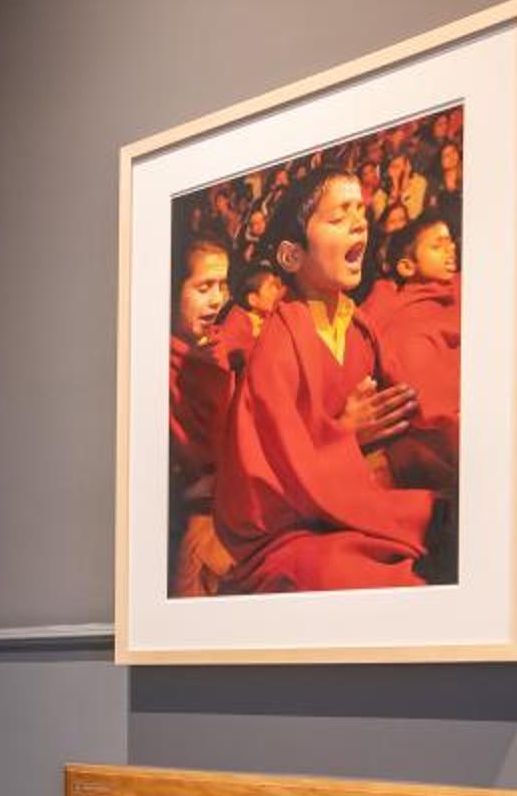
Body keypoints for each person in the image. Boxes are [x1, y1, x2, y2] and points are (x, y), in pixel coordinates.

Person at [212, 165, 430, 591]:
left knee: (436, 514)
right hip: (290, 526)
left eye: (360, 213)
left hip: (357, 501)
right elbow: (263, 474)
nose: (358, 224)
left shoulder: (361, 328)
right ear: (292, 256)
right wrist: (346, 435)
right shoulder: (279, 342)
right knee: (343, 572)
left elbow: (409, 416)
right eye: (338, 217)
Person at [359, 209, 460, 542]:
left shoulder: (462, 290)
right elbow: (423, 396)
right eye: (437, 245)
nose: (450, 250)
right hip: (428, 442)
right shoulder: (401, 313)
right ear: (406, 266)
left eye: (451, 242)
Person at [166, 235, 241, 596]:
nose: (217, 299)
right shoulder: (163, 367)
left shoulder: (220, 351)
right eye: (204, 287)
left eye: (223, 285)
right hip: (195, 522)